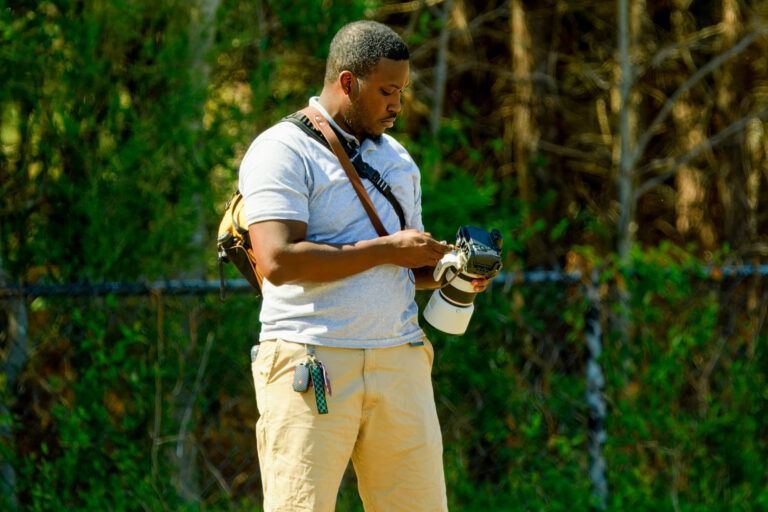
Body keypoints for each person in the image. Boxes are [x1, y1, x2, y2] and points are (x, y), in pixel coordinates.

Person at [238, 20, 489, 511]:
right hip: (312, 360)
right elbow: (278, 260)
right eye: (387, 91)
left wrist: (452, 270)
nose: (398, 105)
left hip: (399, 360)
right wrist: (388, 250)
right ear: (348, 82)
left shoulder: (398, 160)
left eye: (403, 91)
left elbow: (402, 266)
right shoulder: (282, 150)